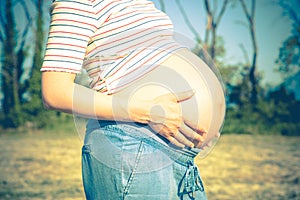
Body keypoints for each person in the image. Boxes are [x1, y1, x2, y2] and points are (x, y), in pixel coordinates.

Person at [41, 0, 226, 199]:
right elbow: (55, 92)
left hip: (178, 154)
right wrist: (146, 111)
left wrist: (206, 122)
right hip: (132, 142)